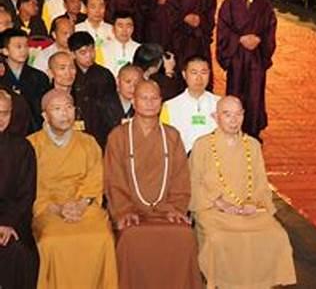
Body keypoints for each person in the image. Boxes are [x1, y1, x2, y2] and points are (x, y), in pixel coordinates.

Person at [189, 95, 296, 289]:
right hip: (214, 210)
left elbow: (260, 182)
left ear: (244, 116)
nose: (233, 120)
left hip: (249, 210)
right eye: (227, 114)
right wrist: (220, 203)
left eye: (238, 114)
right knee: (218, 239)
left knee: (276, 234)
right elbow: (193, 182)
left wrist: (252, 203)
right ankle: (224, 283)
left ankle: (260, 283)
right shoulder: (202, 145)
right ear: (215, 116)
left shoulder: (252, 145)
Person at [104, 80, 202, 289]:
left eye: (154, 98)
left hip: (166, 210)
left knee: (184, 236)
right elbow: (114, 180)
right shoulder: (119, 136)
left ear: (161, 102)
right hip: (131, 212)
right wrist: (123, 212)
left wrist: (175, 209)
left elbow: (180, 178)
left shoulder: (172, 136)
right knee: (130, 238)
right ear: (134, 101)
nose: (149, 103)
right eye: (143, 98)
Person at [28, 89, 118, 289]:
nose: (65, 113)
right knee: (52, 241)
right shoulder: (32, 145)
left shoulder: (88, 142)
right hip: (48, 209)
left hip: (83, 207)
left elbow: (95, 179)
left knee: (102, 237)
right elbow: (30, 187)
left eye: (69, 108)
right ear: (45, 115)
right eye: (57, 109)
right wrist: (58, 209)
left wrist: (80, 204)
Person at [217, 0, 277, 139]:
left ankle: (253, 130)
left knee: (255, 94)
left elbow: (270, 28)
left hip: (257, 55)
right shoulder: (230, 2)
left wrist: (259, 39)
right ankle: (232, 129)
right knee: (236, 90)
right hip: (236, 55)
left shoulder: (264, 4)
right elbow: (223, 27)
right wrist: (239, 39)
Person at [0, 88, 38, 289]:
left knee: (18, 253)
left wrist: (7, 223)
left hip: (11, 222)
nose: (0, 119)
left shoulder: (22, 148)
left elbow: (26, 194)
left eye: (4, 113)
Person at [69, 31, 119, 148]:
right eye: (83, 52)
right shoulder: (69, 73)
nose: (89, 55)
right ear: (72, 54)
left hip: (100, 130)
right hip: (74, 130)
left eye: (91, 50)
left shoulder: (104, 75)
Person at [160, 55, 219, 152]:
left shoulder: (220, 103)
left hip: (214, 162)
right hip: (182, 161)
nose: (199, 78)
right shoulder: (170, 106)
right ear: (184, 74)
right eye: (194, 73)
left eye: (204, 72)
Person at [0, 28, 50, 131]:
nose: (24, 50)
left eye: (26, 46)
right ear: (5, 51)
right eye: (18, 46)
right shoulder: (1, 75)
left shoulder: (39, 77)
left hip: (32, 130)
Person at [75, 0, 113, 65]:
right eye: (93, 7)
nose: (98, 11)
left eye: (101, 6)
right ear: (85, 9)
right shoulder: (77, 29)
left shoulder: (112, 30)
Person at [102, 11, 140, 77]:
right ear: (113, 29)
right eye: (120, 26)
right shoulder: (102, 49)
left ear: (133, 28)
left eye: (128, 26)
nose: (124, 30)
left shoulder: (139, 49)